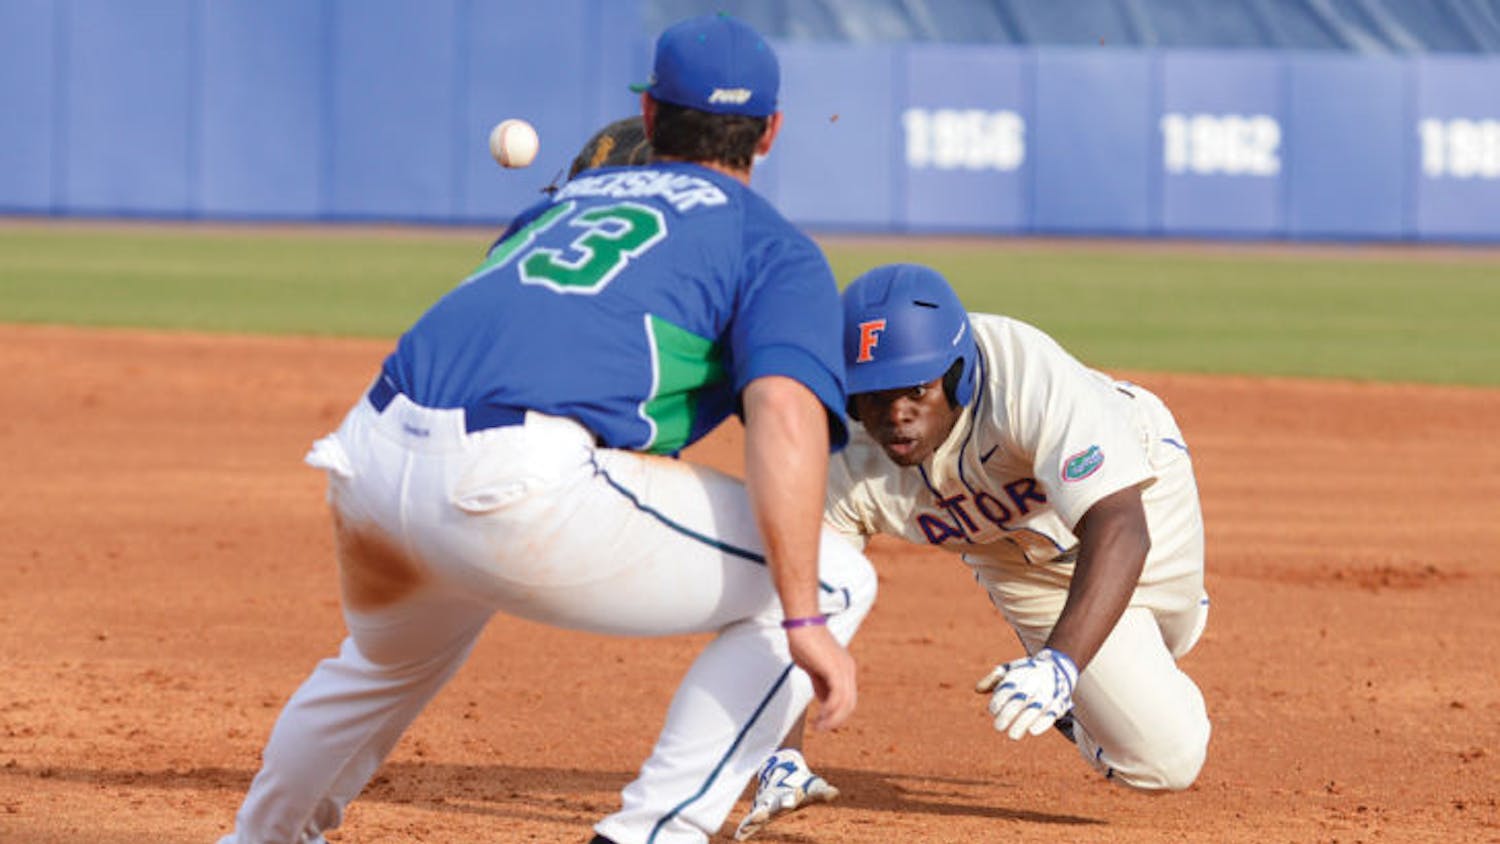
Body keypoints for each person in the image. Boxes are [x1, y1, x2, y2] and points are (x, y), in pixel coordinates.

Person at [216, 13, 877, 844]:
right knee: (837, 581)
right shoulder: (769, 244)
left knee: (384, 664)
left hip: (371, 454)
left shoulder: (559, 204)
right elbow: (783, 414)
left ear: (648, 117)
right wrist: (804, 620)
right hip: (513, 482)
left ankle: (258, 839)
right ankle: (651, 834)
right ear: (771, 132)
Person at [734, 263, 1211, 839]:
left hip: (1139, 497)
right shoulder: (840, 452)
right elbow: (796, 601)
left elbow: (1120, 526)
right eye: (874, 396)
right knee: (1166, 761)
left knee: (1170, 636)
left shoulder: (1024, 375)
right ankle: (1082, 692)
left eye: (916, 389)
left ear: (957, 377)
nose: (896, 414)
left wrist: (1060, 664)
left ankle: (1079, 670)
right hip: (1014, 563)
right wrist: (780, 755)